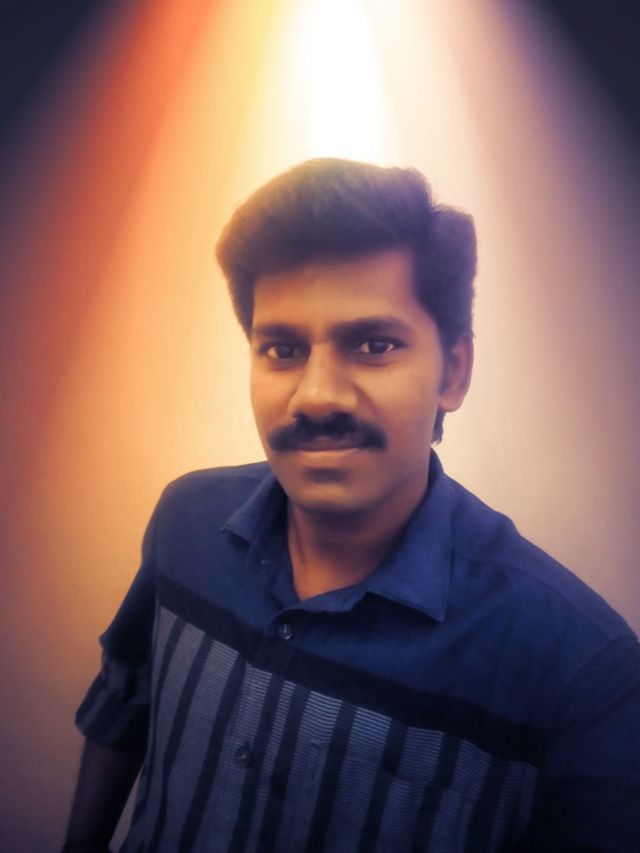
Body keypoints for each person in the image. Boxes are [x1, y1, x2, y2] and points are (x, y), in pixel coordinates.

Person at [63, 158, 640, 853]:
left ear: (453, 371)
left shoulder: (579, 669)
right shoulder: (185, 521)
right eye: (281, 348)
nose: (316, 397)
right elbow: (125, 697)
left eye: (374, 345)